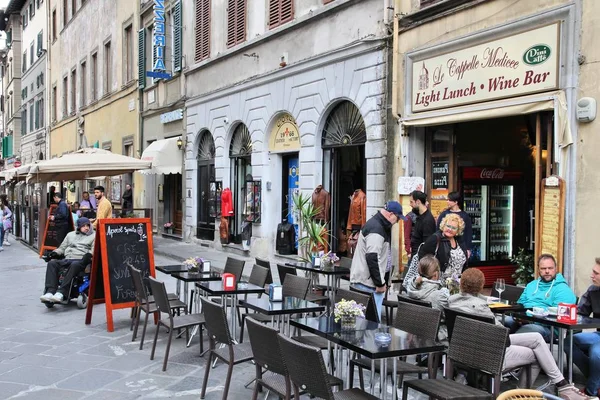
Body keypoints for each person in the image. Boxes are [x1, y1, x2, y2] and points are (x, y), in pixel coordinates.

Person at [449, 268, 594, 399]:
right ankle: (524, 393)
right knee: (538, 352)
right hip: (490, 355)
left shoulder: (452, 302)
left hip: (465, 352)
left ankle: (561, 385)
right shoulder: (480, 308)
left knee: (537, 339)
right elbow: (500, 335)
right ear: (481, 286)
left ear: (461, 284)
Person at [350, 201, 404, 319]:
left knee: (366, 325)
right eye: (398, 218)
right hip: (368, 284)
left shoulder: (378, 224)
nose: (397, 222)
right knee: (369, 325)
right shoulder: (377, 228)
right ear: (391, 214)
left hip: (366, 282)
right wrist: (380, 283)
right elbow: (372, 257)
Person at [505, 254, 577, 341]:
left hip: (548, 328)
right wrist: (518, 316)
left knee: (530, 330)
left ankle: (506, 348)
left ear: (556, 269)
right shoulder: (532, 285)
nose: (547, 271)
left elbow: (555, 316)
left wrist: (529, 320)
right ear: (538, 269)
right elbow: (520, 304)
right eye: (543, 268)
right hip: (524, 321)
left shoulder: (563, 289)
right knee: (503, 322)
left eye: (550, 268)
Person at [40, 217, 95, 303]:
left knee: (74, 265)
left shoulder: (93, 236)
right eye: (84, 226)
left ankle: (61, 292)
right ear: (79, 226)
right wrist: (54, 253)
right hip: (67, 258)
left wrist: (88, 256)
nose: (86, 228)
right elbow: (62, 248)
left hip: (80, 260)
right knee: (52, 263)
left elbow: (93, 250)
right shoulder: (70, 235)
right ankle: (50, 292)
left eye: (88, 225)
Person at [569, 259, 600, 397]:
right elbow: (580, 313)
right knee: (569, 342)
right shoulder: (593, 290)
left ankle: (591, 392)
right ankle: (597, 380)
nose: (591, 275)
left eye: (596, 273)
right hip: (598, 334)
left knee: (596, 352)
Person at [406, 255, 449, 340]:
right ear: (436, 274)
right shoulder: (439, 296)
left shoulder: (410, 287)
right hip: (434, 335)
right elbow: (449, 316)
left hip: (414, 333)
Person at [419, 213, 468, 282]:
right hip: (439, 283)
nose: (450, 229)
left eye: (454, 228)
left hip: (456, 283)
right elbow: (423, 260)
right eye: (448, 226)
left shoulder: (459, 240)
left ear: (458, 230)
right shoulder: (435, 239)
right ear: (443, 225)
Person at [436, 191, 473, 258]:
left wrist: (467, 248)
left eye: (449, 200)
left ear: (456, 202)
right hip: (445, 245)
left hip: (460, 246)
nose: (447, 201)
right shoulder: (444, 214)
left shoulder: (465, 216)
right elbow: (438, 230)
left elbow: (468, 233)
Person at [408, 190, 436, 260]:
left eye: (411, 202)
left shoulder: (427, 220)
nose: (410, 204)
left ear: (418, 202)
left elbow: (427, 245)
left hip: (420, 259)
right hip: (416, 256)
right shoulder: (420, 215)